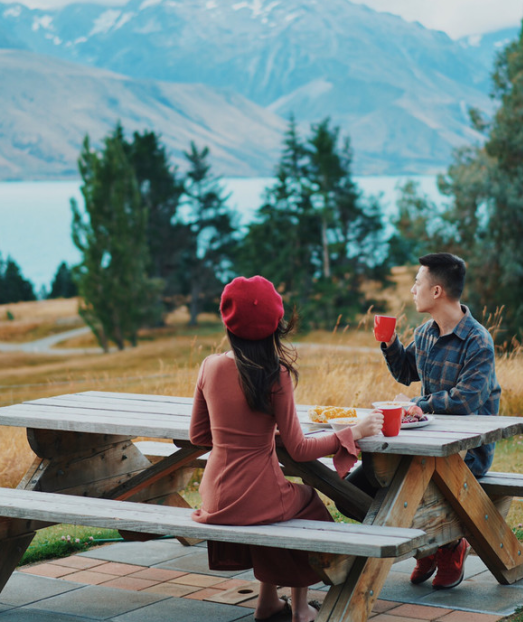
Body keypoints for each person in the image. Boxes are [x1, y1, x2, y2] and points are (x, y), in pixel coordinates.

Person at [190, 275, 383, 622]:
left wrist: (244, 436)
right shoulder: (275, 374)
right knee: (306, 499)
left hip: (214, 498)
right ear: (275, 328)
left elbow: (199, 434)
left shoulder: (210, 365)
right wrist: (352, 432)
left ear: (228, 324)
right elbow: (300, 448)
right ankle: (300, 610)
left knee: (276, 507)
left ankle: (267, 604)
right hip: (255, 497)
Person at [364, 252, 500, 589]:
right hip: (425, 445)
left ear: (437, 291)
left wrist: (415, 405)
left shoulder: (477, 341)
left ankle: (449, 544)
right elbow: (406, 372)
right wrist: (390, 343)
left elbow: (465, 401)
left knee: (404, 483)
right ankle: (428, 544)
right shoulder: (425, 333)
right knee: (363, 481)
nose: (413, 290)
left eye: (417, 283)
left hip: (466, 452)